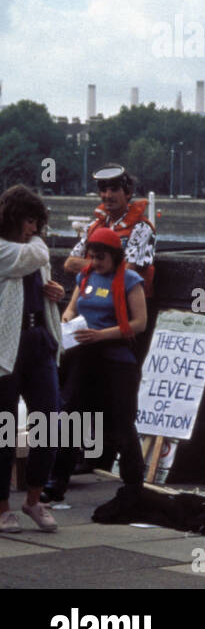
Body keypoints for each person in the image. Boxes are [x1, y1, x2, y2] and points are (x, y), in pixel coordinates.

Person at [49, 226, 150, 506]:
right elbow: (72, 307)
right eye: (92, 257)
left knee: (121, 423)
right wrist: (67, 320)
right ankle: (57, 481)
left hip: (117, 359)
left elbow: (139, 323)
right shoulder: (85, 277)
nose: (95, 262)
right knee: (73, 417)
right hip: (85, 356)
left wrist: (101, 334)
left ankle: (133, 485)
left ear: (115, 256)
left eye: (101, 257)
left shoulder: (130, 280)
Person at [0, 187, 65, 533]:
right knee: (4, 429)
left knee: (50, 421)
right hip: (5, 347)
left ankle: (34, 499)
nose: (33, 228)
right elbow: (32, 256)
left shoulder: (31, 250)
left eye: (37, 222)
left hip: (38, 338)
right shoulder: (12, 249)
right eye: (29, 221)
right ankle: (2, 507)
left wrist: (56, 293)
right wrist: (39, 241)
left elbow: (41, 279)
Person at [64, 164, 157, 295]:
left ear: (128, 193)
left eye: (114, 190)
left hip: (128, 304)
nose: (108, 195)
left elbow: (128, 271)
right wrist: (108, 266)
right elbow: (70, 263)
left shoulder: (142, 228)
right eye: (103, 190)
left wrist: (89, 265)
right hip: (95, 298)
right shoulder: (94, 226)